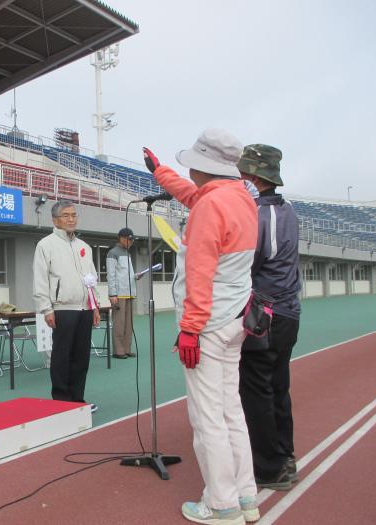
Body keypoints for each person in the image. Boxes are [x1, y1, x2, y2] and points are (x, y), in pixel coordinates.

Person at [144, 129, 259, 525]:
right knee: (231, 411)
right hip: (234, 319)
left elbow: (199, 274)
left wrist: (189, 328)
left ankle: (221, 504)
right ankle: (246, 496)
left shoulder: (210, 207)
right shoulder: (240, 197)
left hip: (207, 324)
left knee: (207, 416)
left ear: (203, 165)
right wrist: (160, 173)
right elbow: (195, 196)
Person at [237, 144, 301, 491]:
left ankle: (269, 467)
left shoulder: (261, 215)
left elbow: (249, 262)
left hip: (266, 314)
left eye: (243, 173)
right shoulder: (287, 209)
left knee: (257, 389)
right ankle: (284, 454)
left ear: (254, 177)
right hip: (288, 312)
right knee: (277, 386)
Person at [33, 200, 101, 412]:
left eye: (74, 215)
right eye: (66, 215)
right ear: (55, 220)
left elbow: (91, 278)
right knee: (62, 357)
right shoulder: (46, 245)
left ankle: (78, 401)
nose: (71, 219)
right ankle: (61, 401)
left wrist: (95, 305)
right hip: (62, 309)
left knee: (81, 357)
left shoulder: (84, 247)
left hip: (84, 309)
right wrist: (46, 308)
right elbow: (40, 278)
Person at [106, 227, 141, 359]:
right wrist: (112, 294)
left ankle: (127, 348)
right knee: (119, 323)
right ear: (121, 238)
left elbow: (125, 274)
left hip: (130, 292)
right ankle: (118, 351)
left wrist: (135, 276)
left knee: (128, 324)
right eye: (129, 239)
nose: (131, 242)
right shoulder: (112, 253)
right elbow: (111, 275)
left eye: (132, 240)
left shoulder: (127, 253)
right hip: (119, 294)